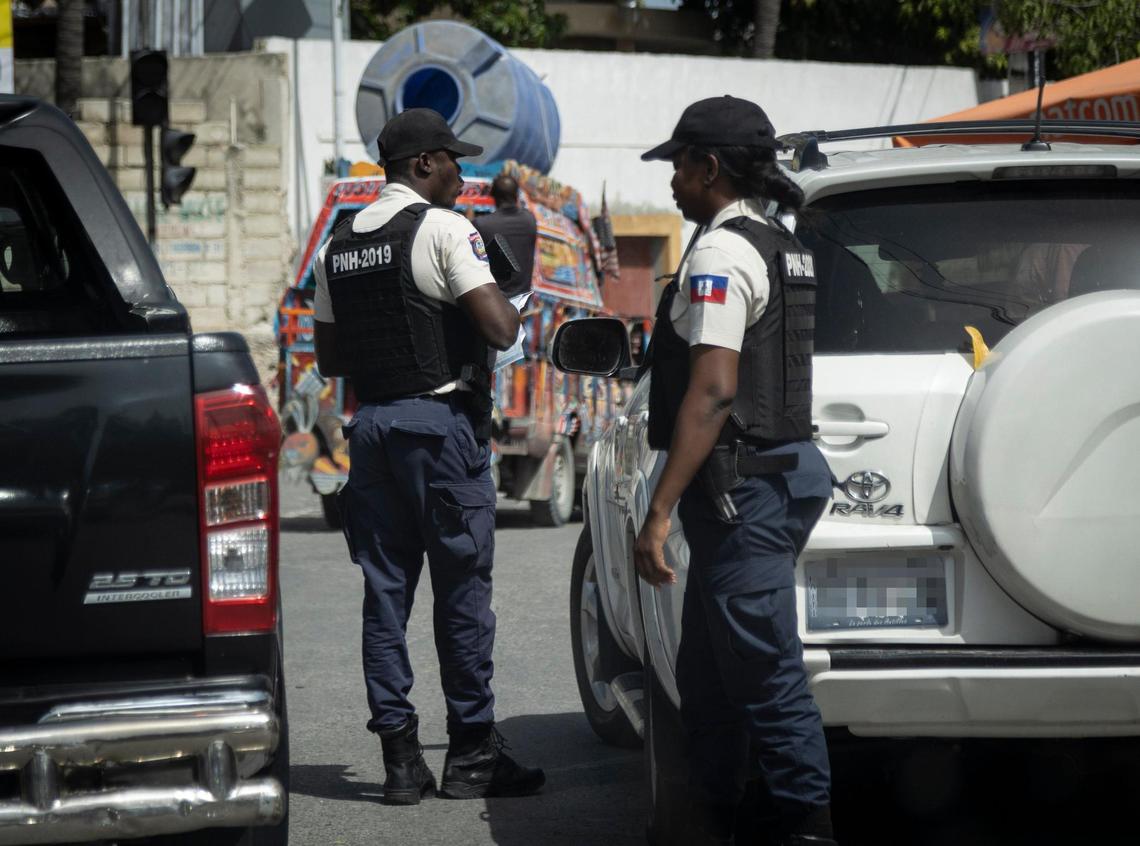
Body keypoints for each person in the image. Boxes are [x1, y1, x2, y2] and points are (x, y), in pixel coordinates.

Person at [312, 108, 545, 805]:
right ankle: (472, 755)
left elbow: (329, 356)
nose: (461, 172)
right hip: (440, 428)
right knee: (462, 597)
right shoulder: (445, 228)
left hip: (374, 429)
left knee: (385, 598)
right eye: (451, 159)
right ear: (421, 165)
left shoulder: (340, 241)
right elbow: (500, 329)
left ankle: (400, 762)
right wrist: (513, 301)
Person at [634, 96, 837, 846]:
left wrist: (659, 511)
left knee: (761, 669)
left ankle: (805, 823)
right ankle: (712, 812)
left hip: (742, 488)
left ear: (708, 167)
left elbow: (716, 387)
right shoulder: (781, 242)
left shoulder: (721, 253)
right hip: (773, 474)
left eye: (678, 166)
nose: (671, 183)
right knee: (711, 668)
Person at [473, 173, 537, 297]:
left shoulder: (481, 224)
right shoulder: (530, 220)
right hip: (523, 300)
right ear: (517, 195)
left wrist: (468, 221)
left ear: (493, 196)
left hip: (494, 302)